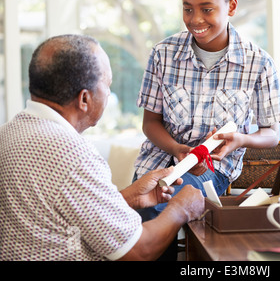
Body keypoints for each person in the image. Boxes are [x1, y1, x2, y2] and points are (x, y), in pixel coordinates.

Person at [0, 35, 204, 261]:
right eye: (107, 84)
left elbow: (59, 214)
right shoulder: (73, 155)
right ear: (84, 99)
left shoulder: (7, 134)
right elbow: (139, 251)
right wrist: (181, 208)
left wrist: (128, 197)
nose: (108, 93)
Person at [133, 0, 280, 257]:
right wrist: (177, 148)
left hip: (213, 169)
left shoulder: (259, 63)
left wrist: (241, 140)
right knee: (140, 207)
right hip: (156, 162)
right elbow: (150, 123)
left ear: (231, 6)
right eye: (188, 9)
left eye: (206, 9)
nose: (196, 20)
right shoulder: (163, 54)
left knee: (158, 208)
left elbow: (270, 133)